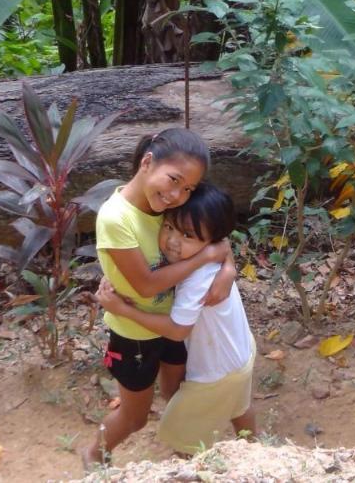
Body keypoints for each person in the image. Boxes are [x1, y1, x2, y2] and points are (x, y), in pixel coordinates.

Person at [85, 129, 237, 467]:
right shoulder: (116, 218)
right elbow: (146, 285)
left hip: (173, 323)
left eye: (187, 189)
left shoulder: (162, 207)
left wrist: (227, 267)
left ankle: (187, 451)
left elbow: (215, 238)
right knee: (134, 417)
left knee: (178, 393)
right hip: (135, 334)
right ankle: (94, 455)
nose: (176, 195)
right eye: (173, 180)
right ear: (147, 162)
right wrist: (207, 258)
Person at [95, 183, 257, 455]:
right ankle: (257, 448)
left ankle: (196, 465)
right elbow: (219, 241)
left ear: (211, 242)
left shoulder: (197, 279)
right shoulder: (205, 257)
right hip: (241, 355)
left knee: (183, 434)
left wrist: (123, 310)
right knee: (239, 405)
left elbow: (179, 330)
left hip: (215, 375)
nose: (173, 240)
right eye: (169, 227)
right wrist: (227, 265)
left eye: (187, 235)